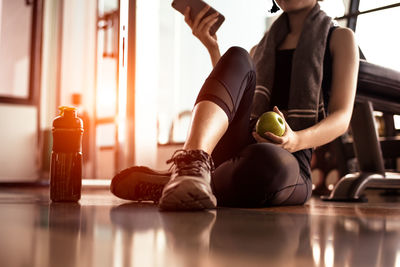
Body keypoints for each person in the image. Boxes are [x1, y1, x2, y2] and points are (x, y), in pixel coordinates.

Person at [110, 0, 359, 210]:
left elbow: (342, 118)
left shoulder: (339, 38)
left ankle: (178, 182)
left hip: (291, 160)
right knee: (238, 55)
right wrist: (212, 49)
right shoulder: (260, 49)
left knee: (267, 162)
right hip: (235, 145)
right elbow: (233, 105)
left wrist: (294, 141)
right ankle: (192, 166)